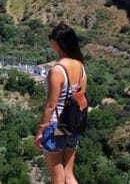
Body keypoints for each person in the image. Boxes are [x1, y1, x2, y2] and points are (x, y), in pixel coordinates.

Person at [34, 22, 87, 184]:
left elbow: (51, 105)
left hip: (55, 126)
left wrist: (41, 131)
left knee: (58, 179)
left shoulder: (57, 70)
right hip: (73, 126)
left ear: (57, 42)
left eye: (51, 38)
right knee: (68, 175)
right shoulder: (81, 67)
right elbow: (81, 99)